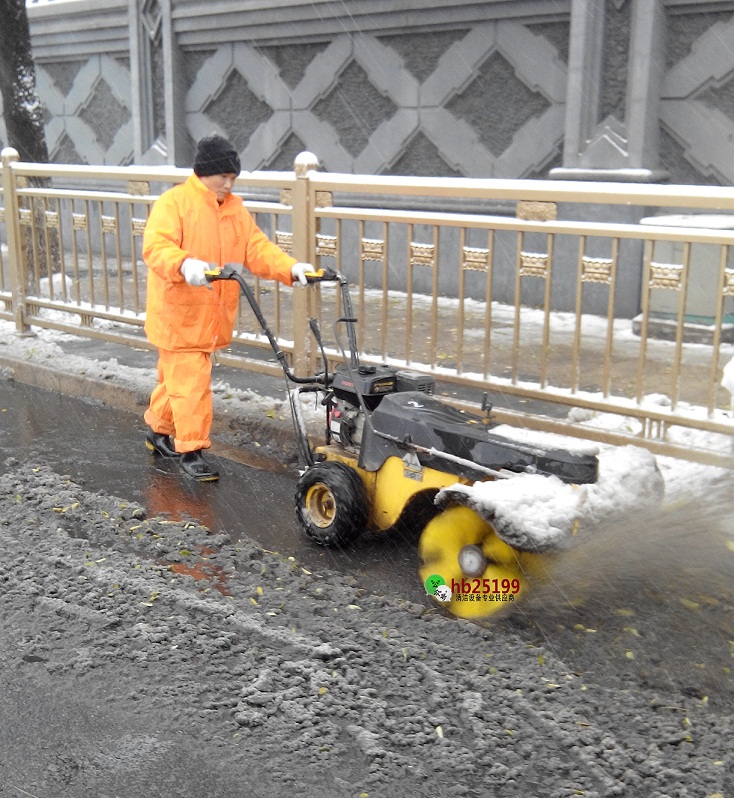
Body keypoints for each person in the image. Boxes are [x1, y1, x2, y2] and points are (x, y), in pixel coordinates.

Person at [142, 133, 311, 481]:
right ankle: (191, 451)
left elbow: (257, 250)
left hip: (209, 317)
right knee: (191, 385)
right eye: (224, 177)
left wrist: (291, 269)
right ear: (205, 172)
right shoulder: (174, 203)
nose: (228, 184)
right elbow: (156, 247)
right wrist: (185, 264)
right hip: (179, 315)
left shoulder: (234, 210)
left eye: (233, 178)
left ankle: (158, 434)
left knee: (175, 381)